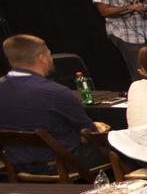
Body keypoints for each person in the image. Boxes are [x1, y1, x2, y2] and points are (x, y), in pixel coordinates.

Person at [0, 34, 109, 173]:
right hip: (62, 163)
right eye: (49, 54)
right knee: (120, 150)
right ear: (42, 58)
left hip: (15, 164)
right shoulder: (54, 92)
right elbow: (91, 134)